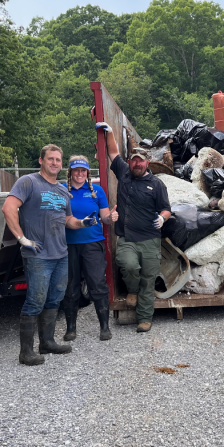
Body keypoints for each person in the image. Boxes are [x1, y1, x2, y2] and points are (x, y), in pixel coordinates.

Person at [2, 144, 100, 366]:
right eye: (50, 159)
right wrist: (21, 238)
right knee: (35, 301)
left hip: (61, 254)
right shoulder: (28, 182)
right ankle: (26, 353)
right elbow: (8, 208)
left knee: (54, 299)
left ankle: (47, 342)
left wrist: (84, 222)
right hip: (38, 255)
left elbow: (68, 221)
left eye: (58, 159)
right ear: (41, 161)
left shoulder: (63, 191)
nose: (55, 163)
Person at [96, 122, 170, 333]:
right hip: (127, 237)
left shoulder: (156, 185)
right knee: (128, 266)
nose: (137, 164)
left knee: (148, 278)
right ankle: (132, 290)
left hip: (150, 239)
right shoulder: (124, 174)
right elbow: (112, 152)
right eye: (134, 160)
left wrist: (163, 219)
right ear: (130, 162)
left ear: (147, 162)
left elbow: (166, 209)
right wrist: (109, 132)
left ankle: (145, 318)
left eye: (141, 161)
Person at [61, 155, 119, 342]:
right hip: (69, 245)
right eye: (76, 170)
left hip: (92, 243)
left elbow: (105, 218)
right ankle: (71, 329)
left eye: (83, 170)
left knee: (97, 284)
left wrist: (111, 217)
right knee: (71, 286)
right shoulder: (61, 190)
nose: (80, 173)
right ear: (70, 172)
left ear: (87, 172)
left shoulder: (97, 191)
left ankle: (104, 327)